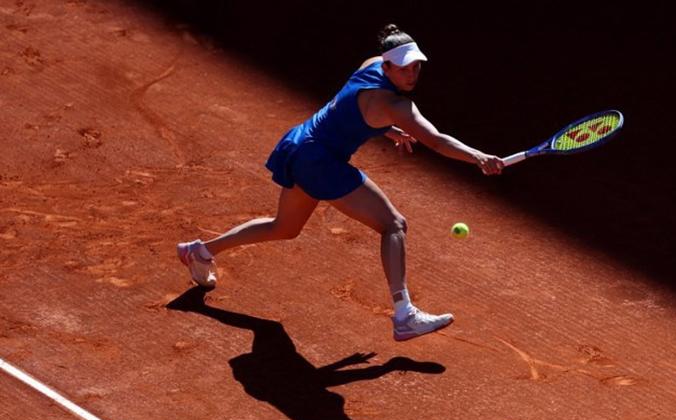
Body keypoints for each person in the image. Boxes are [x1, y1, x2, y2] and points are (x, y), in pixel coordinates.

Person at [177, 24, 504, 341]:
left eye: (416, 66)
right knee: (394, 225)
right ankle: (404, 315)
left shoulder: (372, 64)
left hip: (302, 143)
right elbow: (435, 141)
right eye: (404, 68)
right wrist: (478, 156)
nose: (412, 73)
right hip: (322, 162)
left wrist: (384, 129)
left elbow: (354, 106)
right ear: (388, 66)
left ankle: (200, 251)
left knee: (284, 228)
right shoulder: (397, 105)